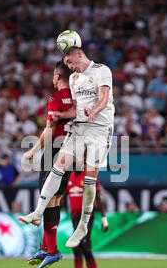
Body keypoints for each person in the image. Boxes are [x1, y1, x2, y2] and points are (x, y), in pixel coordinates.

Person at [19, 46, 114, 251]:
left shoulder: (102, 70)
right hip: (78, 129)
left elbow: (104, 98)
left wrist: (93, 111)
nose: (70, 67)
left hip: (98, 129)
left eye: (70, 63)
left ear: (79, 54)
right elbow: (73, 108)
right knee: (57, 168)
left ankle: (82, 227)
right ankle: (38, 211)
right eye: (67, 65)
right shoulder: (73, 79)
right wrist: (65, 116)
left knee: (90, 180)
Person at [19, 61, 73, 268]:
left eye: (53, 74)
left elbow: (49, 130)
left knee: (47, 196)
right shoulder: (77, 97)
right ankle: (45, 247)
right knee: (56, 198)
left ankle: (52, 251)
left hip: (54, 149)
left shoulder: (56, 98)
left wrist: (32, 151)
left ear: (58, 76)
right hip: (71, 150)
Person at [61, 170, 109, 268]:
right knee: (79, 247)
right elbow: (63, 198)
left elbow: (97, 197)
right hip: (74, 217)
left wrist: (104, 217)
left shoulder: (89, 176)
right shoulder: (70, 177)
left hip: (86, 217)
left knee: (83, 245)